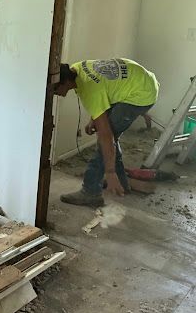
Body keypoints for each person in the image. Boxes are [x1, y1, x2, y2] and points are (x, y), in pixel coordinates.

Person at [53, 59, 159, 207]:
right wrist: (94, 119)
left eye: (55, 89)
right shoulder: (76, 68)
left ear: (65, 83)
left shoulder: (90, 91)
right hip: (141, 79)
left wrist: (110, 172)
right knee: (109, 137)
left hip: (141, 93)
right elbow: (104, 90)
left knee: (104, 142)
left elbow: (106, 136)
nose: (55, 93)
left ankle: (90, 192)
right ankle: (122, 183)